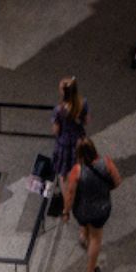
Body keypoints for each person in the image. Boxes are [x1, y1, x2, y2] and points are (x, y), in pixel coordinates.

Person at [64, 138, 122, 272]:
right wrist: (104, 190)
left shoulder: (76, 171)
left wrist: (65, 212)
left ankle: (83, 236)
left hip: (81, 210)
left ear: (78, 154)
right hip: (100, 209)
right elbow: (117, 181)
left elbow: (70, 194)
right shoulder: (107, 163)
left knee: (85, 223)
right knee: (95, 238)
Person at [50, 76, 90, 216]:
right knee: (78, 168)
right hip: (79, 141)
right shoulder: (83, 103)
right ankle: (79, 192)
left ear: (63, 93)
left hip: (65, 145)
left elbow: (56, 130)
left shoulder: (59, 110)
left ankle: (67, 201)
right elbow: (86, 121)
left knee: (63, 174)